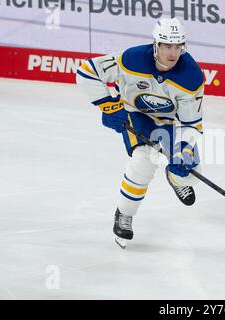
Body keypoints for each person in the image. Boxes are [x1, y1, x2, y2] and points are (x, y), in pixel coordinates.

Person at [76, 18, 204, 244]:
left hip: (168, 123)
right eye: (167, 46)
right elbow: (87, 71)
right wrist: (108, 105)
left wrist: (183, 152)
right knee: (144, 161)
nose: (173, 53)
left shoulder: (191, 76)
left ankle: (175, 179)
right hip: (136, 114)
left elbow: (190, 124)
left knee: (192, 172)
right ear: (156, 44)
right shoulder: (132, 59)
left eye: (178, 46)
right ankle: (124, 214)